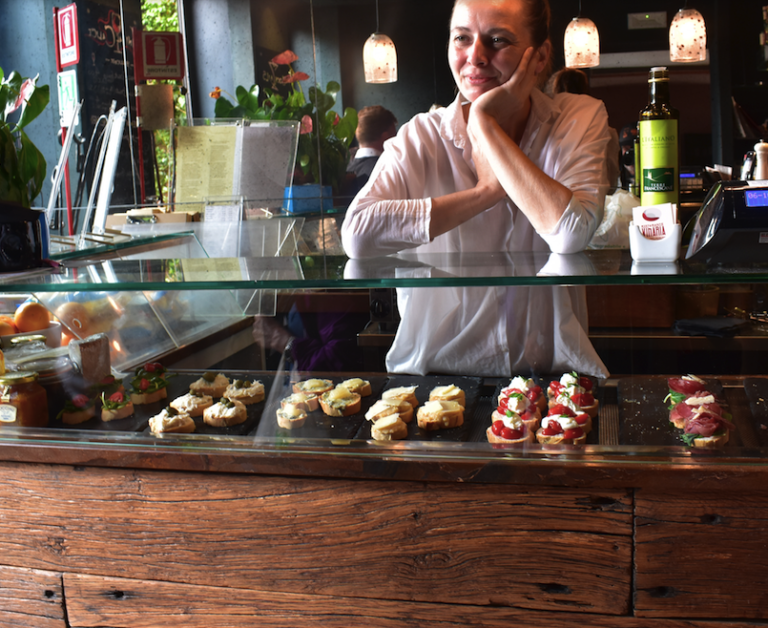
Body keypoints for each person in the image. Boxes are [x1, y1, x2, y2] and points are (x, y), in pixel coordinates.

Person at [341, 0, 612, 378]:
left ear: (540, 56)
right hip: (437, 379)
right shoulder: (421, 136)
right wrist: (484, 193)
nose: (476, 56)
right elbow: (357, 235)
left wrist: (485, 124)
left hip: (551, 377)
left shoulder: (578, 118)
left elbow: (570, 234)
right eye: (462, 38)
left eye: (498, 40)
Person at [344, 105, 397, 196]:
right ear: (386, 137)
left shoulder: (342, 171)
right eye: (394, 134)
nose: (396, 139)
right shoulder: (387, 170)